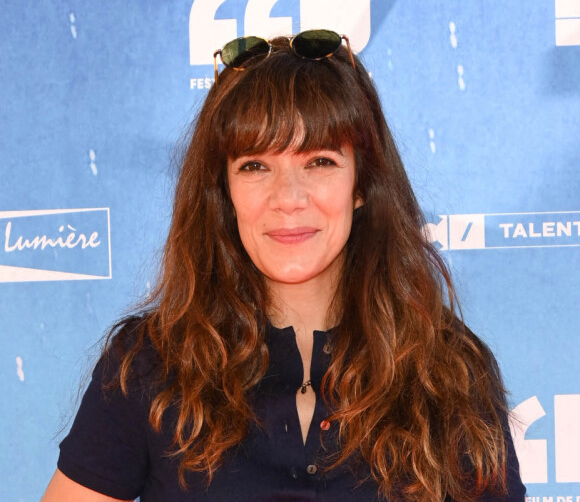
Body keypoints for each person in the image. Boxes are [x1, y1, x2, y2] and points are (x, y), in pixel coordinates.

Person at [42, 30, 526, 501]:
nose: (288, 199)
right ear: (224, 192)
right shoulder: (150, 366)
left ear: (361, 184)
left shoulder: (446, 371)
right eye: (255, 166)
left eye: (319, 162)